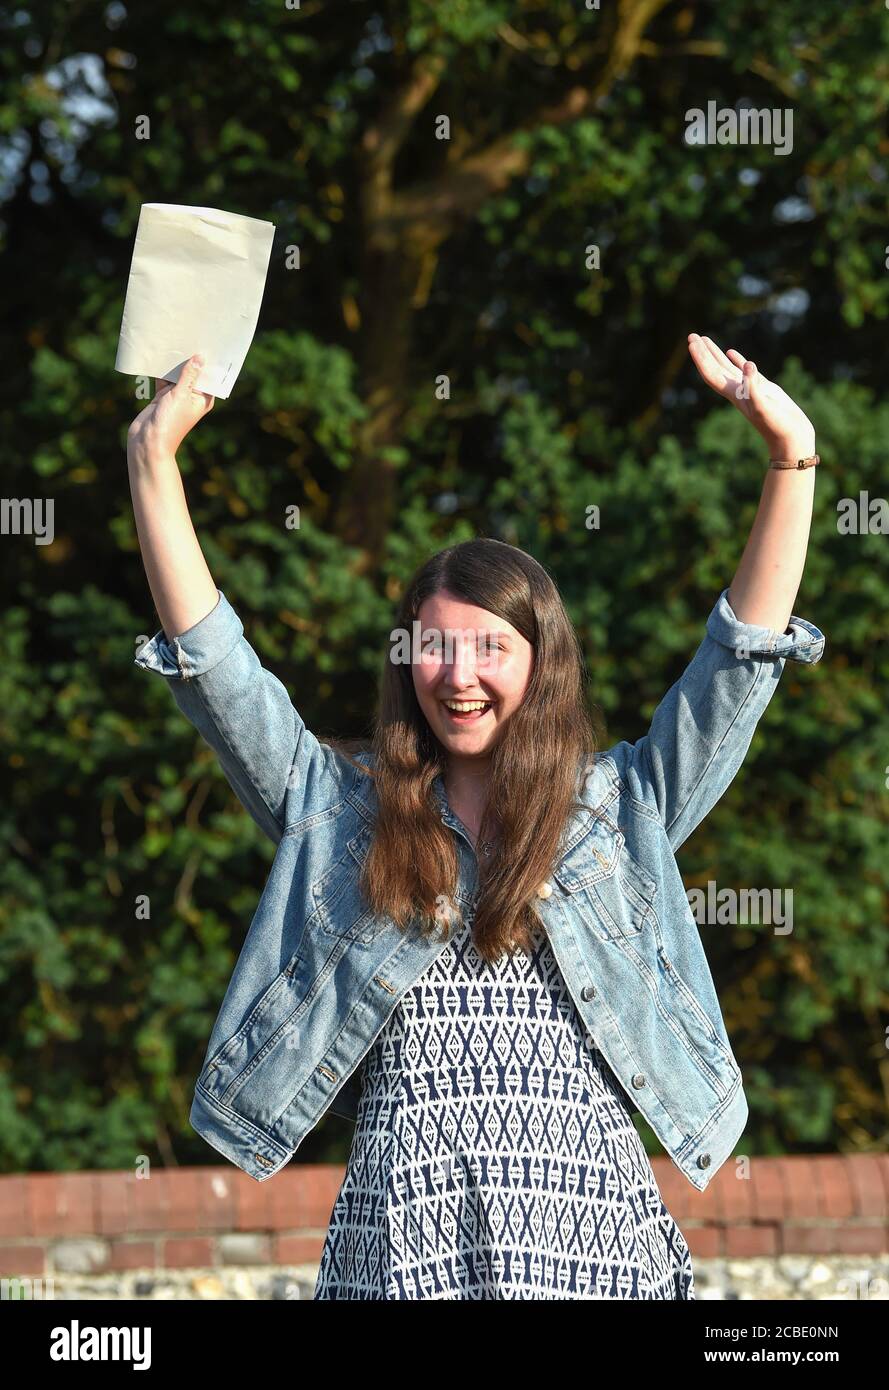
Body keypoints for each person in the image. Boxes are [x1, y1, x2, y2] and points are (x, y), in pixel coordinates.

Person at [127, 338, 822, 1299]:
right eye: (435, 648)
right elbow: (214, 664)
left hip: (587, 1239)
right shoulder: (339, 814)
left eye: (489, 647)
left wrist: (791, 460)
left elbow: (737, 662)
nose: (459, 676)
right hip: (401, 1238)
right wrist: (153, 461)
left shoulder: (621, 809)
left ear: (541, 660)